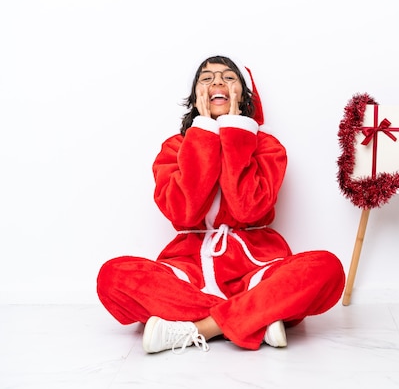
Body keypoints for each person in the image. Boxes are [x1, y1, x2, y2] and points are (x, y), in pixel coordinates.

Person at [97, 55, 345, 353]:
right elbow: (185, 214)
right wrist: (202, 135)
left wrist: (235, 133)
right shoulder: (174, 148)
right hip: (189, 272)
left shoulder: (268, 147)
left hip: (257, 269)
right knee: (113, 276)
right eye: (207, 78)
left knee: (327, 268)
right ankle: (256, 319)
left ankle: (200, 328)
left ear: (243, 93)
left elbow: (247, 210)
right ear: (195, 97)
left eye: (229, 77)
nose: (217, 81)